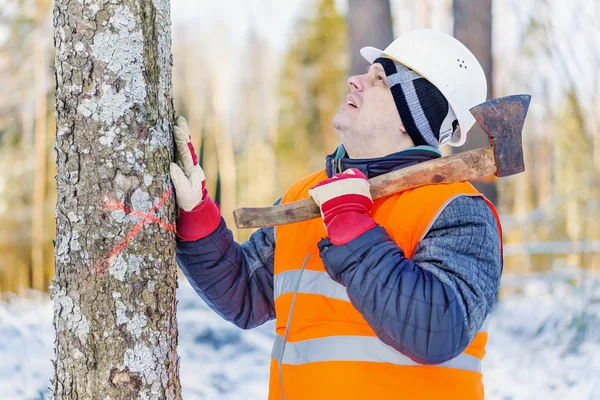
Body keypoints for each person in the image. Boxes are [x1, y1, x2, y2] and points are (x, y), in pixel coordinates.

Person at [171, 29, 502, 400]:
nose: (355, 80)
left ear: (414, 114)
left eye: (380, 79)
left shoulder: (456, 210)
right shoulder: (309, 194)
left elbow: (439, 329)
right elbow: (245, 295)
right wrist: (196, 217)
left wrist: (354, 229)